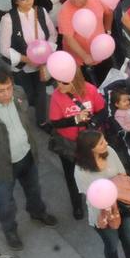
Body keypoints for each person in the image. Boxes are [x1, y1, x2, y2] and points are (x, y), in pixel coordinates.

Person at [0, 67, 57, 251]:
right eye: (0, 90)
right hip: (2, 166)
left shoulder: (19, 94)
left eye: (8, 88)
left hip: (26, 155)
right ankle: (10, 230)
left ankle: (37, 212)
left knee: (34, 188)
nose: (6, 94)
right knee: (5, 202)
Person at [73, 129, 130, 258]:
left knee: (129, 237)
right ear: (90, 149)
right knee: (111, 244)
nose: (106, 144)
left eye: (104, 140)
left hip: (122, 205)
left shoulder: (109, 152)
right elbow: (89, 195)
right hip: (102, 212)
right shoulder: (81, 170)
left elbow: (122, 174)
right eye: (101, 143)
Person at [47, 66, 106, 221]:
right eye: (57, 81)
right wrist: (75, 119)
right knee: (71, 176)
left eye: (64, 83)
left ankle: (100, 198)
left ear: (75, 80)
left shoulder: (90, 90)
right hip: (69, 145)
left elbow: (102, 111)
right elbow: (55, 123)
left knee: (97, 171)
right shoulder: (56, 97)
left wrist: (93, 122)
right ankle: (77, 204)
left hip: (91, 143)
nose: (59, 86)